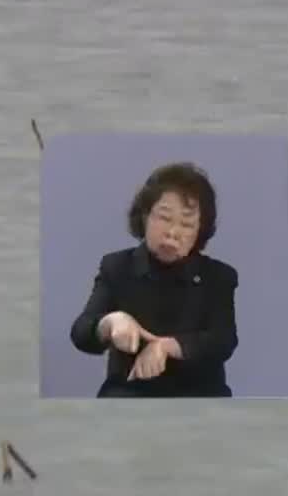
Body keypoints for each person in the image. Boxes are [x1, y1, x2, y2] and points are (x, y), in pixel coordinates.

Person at [69, 162, 239, 397]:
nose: (173, 232)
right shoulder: (117, 267)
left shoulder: (219, 276)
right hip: (129, 393)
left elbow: (223, 341)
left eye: (187, 224)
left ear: (200, 230)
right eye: (164, 217)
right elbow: (80, 333)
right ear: (145, 216)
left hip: (199, 395)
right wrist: (110, 323)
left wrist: (166, 347)